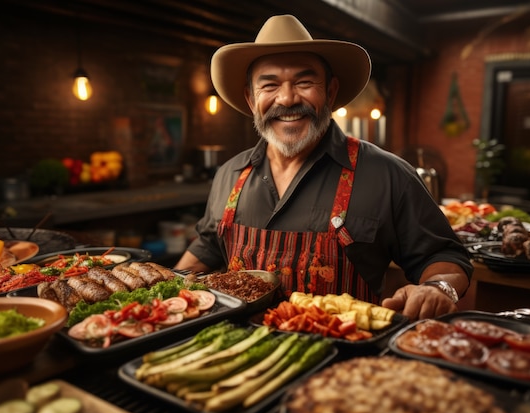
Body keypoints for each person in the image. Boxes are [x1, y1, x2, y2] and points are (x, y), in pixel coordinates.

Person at [175, 14, 473, 320]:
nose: (288, 98)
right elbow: (208, 247)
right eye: (270, 85)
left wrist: (438, 289)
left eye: (304, 82)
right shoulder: (229, 174)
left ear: (330, 92)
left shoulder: (388, 174)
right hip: (238, 354)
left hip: (340, 358)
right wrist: (159, 289)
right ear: (251, 100)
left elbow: (444, 256)